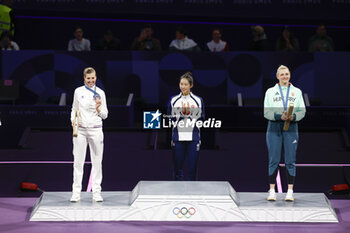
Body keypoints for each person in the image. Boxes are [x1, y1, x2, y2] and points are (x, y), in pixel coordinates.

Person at [264, 65, 306, 202]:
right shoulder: (270, 92)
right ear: (277, 76)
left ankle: (290, 191)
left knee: (290, 160)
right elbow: (266, 112)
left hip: (292, 128)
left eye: (286, 74)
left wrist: (292, 117)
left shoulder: (297, 92)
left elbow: (302, 111)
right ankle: (271, 191)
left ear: (290, 75)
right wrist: (278, 116)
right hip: (274, 128)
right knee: (273, 160)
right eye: (282, 74)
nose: (284, 76)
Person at [70, 67, 108, 202]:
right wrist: (73, 122)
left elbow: (105, 115)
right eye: (88, 78)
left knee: (97, 162)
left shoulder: (101, 93)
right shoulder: (78, 91)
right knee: (78, 162)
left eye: (93, 78)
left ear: (96, 78)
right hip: (80, 131)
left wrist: (98, 108)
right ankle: (76, 192)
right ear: (84, 78)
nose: (91, 81)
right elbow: (74, 108)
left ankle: (96, 192)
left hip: (96, 130)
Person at [167, 72, 205, 181]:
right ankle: (178, 194)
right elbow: (169, 117)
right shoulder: (174, 100)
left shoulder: (198, 100)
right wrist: (180, 115)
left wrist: (191, 115)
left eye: (185, 84)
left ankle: (191, 195)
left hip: (193, 138)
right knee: (177, 169)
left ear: (191, 85)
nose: (183, 87)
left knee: (192, 170)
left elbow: (202, 119)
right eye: (181, 84)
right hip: (177, 138)